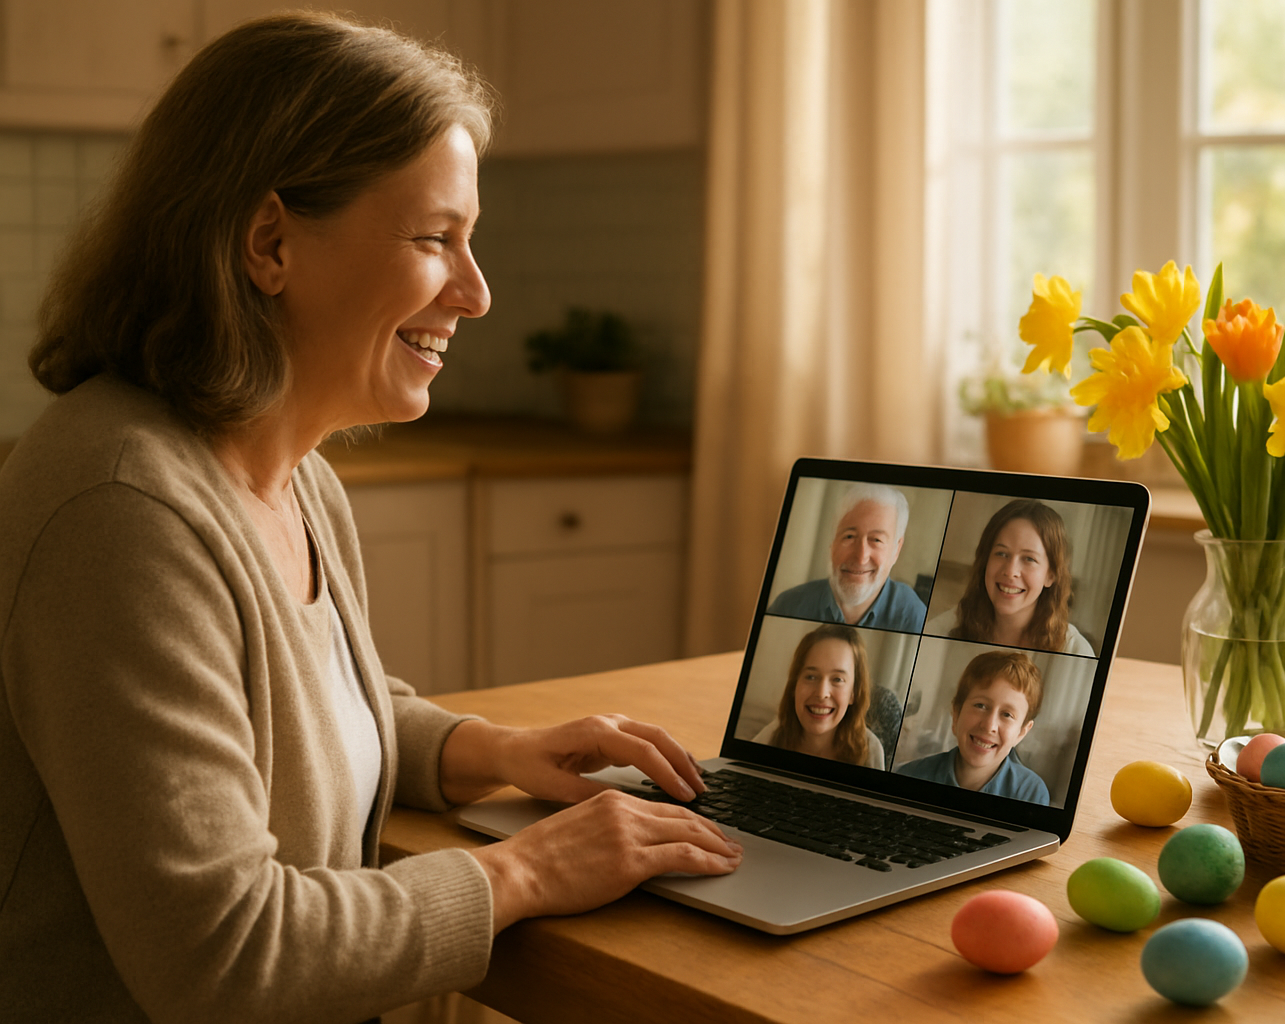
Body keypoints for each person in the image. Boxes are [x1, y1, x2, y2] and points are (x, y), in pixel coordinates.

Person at [0, 14, 739, 1023]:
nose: (475, 294)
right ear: (269, 243)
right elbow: (224, 957)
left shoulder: (292, 474)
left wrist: (490, 749)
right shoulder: (121, 510)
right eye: (437, 238)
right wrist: (523, 873)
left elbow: (299, 714)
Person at [926, 498, 1094, 656]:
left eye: (1029, 559)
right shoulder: (943, 629)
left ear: (1051, 575)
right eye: (1001, 553)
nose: (1010, 571)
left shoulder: (1074, 649)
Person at [767, 483, 928, 631]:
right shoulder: (787, 605)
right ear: (832, 542)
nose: (861, 557)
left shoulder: (916, 619)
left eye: (876, 540)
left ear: (896, 550)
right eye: (849, 536)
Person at [896, 650, 1049, 803]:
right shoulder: (910, 775)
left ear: (1021, 733)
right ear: (956, 714)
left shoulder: (1031, 794)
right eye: (980, 705)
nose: (989, 726)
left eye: (1007, 715)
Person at [750, 624, 886, 769]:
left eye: (837, 679)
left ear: (853, 693)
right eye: (811, 677)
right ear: (794, 686)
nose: (822, 694)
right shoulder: (770, 737)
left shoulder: (871, 750)